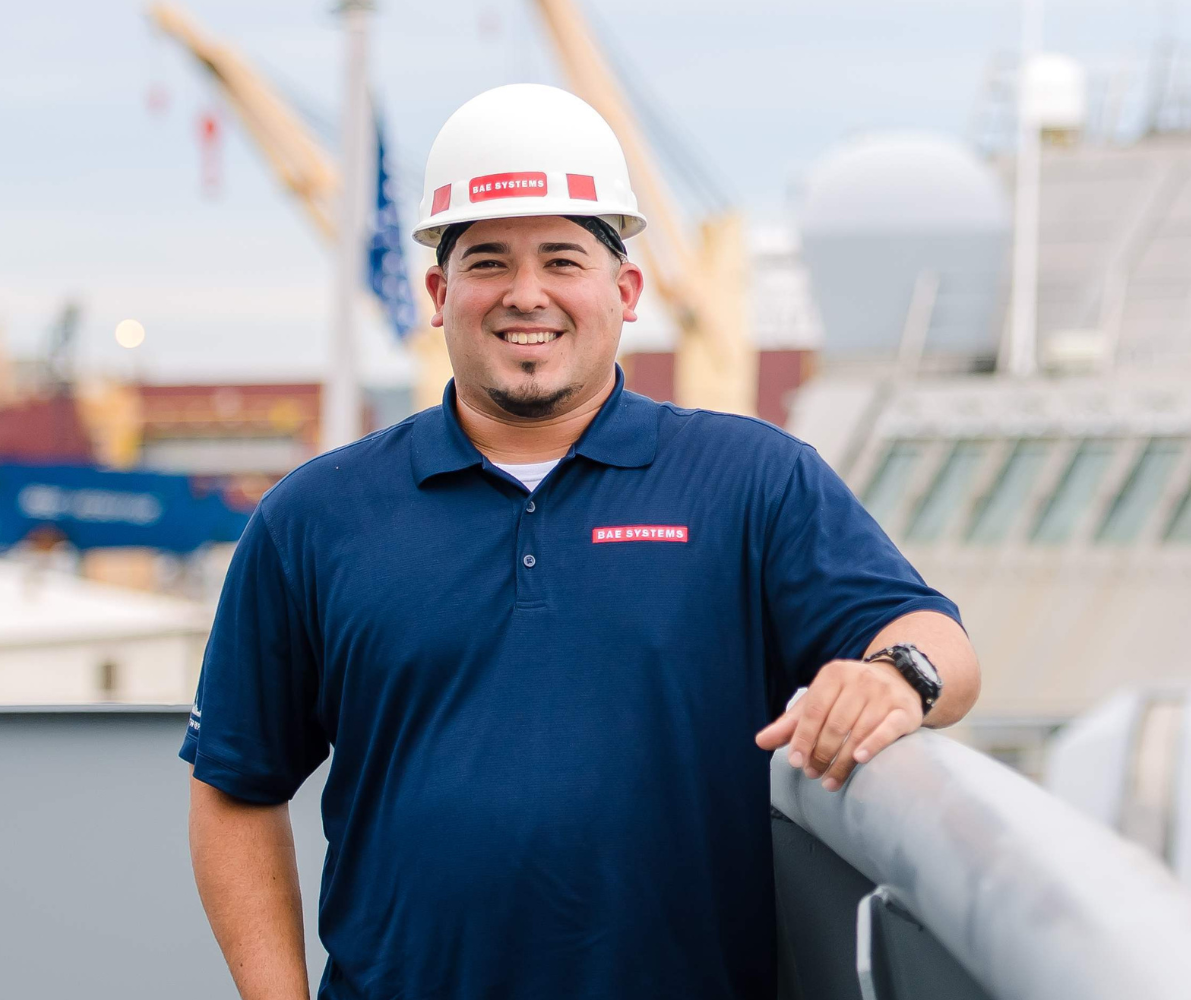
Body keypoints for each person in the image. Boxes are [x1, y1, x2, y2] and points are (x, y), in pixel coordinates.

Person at [180, 84, 978, 1000]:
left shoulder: (752, 482)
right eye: (487, 263)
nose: (527, 295)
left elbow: (945, 650)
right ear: (439, 295)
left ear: (625, 290)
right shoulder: (315, 516)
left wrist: (892, 675)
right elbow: (236, 784)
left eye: (562, 258)